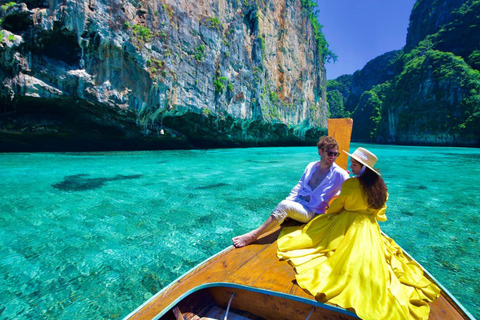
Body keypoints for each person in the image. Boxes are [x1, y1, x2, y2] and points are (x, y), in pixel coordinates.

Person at [276, 147, 440, 320]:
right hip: (370, 226)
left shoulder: (351, 184)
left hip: (347, 222)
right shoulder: (380, 186)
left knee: (314, 238)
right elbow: (380, 211)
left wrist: (328, 214)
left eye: (354, 164)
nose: (350, 166)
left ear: (363, 168)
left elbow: (337, 207)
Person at [232, 136, 350, 248]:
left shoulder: (339, 174)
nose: (333, 157)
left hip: (312, 211)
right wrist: (290, 203)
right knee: (284, 205)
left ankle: (253, 236)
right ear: (320, 151)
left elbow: (351, 189)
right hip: (299, 203)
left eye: (336, 154)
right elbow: (298, 187)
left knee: (284, 206)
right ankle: (288, 214)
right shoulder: (311, 166)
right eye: (330, 153)